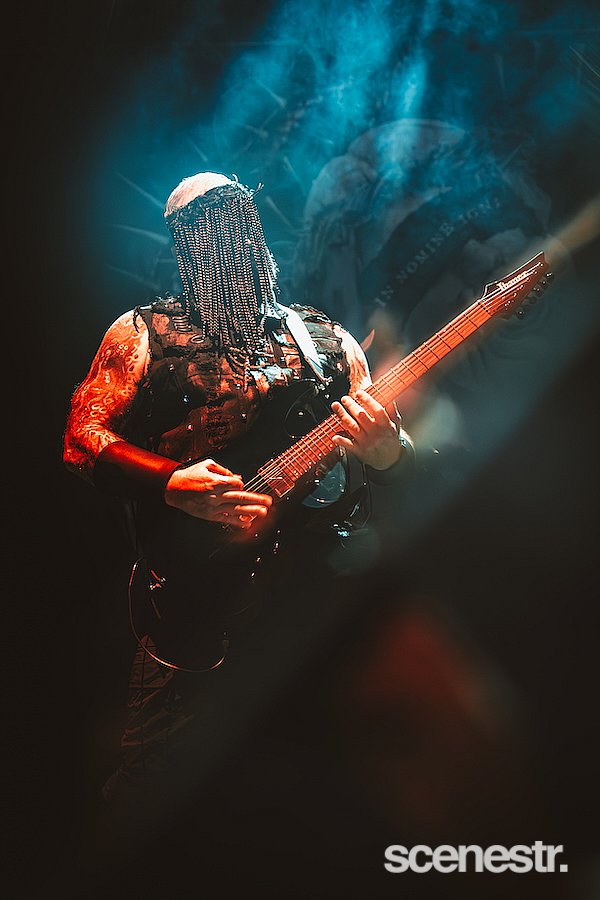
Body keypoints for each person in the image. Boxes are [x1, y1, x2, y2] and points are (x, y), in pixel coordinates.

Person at [63, 171, 414, 843]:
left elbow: (398, 463)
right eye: (205, 226)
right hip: (197, 601)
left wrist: (389, 451)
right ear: (182, 245)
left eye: (238, 218)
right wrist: (172, 481)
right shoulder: (142, 334)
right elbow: (82, 437)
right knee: (155, 790)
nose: (228, 238)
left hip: (312, 596)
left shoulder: (327, 340)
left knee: (341, 788)